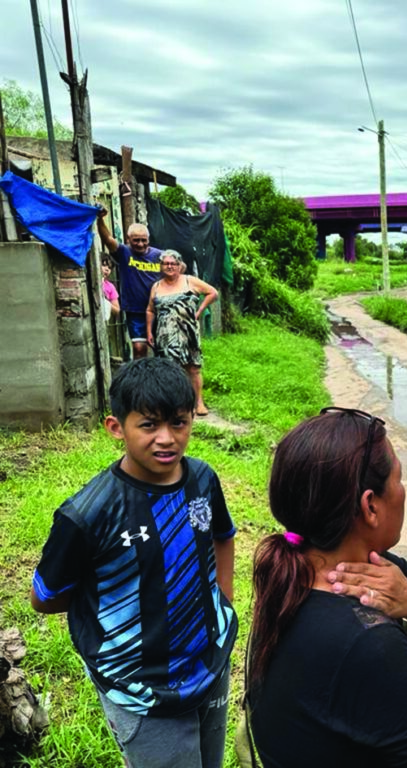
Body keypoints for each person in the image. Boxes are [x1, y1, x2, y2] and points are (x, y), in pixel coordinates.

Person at [247, 407, 407, 768]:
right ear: (370, 506)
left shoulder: (305, 568)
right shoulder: (368, 644)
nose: (404, 491)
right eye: (400, 479)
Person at [30, 357, 237, 768]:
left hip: (209, 663)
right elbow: (44, 596)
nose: (166, 438)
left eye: (178, 422)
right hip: (142, 689)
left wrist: (223, 604)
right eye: (149, 425)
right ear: (115, 427)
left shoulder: (202, 479)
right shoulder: (88, 514)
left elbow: (222, 537)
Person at [147, 250, 218, 417]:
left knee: (193, 368)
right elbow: (150, 309)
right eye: (166, 264)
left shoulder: (189, 281)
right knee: (170, 369)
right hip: (165, 334)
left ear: (179, 266)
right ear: (161, 266)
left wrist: (200, 310)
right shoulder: (156, 286)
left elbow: (213, 293)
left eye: (173, 263)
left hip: (188, 332)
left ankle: (198, 402)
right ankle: (176, 404)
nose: (169, 266)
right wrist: (149, 331)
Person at [96, 209, 163, 359]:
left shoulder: (160, 255)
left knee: (162, 348)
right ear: (128, 239)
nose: (140, 244)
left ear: (148, 239)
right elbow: (107, 239)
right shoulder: (124, 252)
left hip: (159, 309)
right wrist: (100, 219)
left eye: (143, 240)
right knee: (139, 349)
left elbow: (179, 267)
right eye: (136, 240)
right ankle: (140, 380)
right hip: (135, 310)